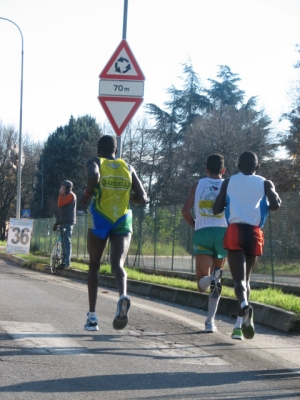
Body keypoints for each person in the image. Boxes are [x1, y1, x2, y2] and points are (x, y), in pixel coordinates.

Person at [213, 151, 281, 340]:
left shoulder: (229, 182)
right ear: (257, 167)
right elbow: (275, 205)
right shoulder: (265, 182)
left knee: (238, 280)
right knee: (247, 279)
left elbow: (216, 209)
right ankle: (239, 325)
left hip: (235, 230)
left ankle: (244, 307)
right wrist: (273, 198)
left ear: (238, 166)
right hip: (254, 232)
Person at [82, 135, 148, 331]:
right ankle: (122, 296)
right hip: (122, 218)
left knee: (94, 265)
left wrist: (87, 193)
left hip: (100, 217)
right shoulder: (127, 167)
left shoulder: (95, 161)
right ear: (116, 152)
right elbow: (143, 197)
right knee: (118, 264)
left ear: (98, 150)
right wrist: (126, 197)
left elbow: (93, 176)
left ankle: (92, 318)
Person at [182, 154, 227, 333]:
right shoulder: (228, 185)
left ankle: (212, 279)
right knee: (218, 276)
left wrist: (196, 224)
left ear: (206, 170)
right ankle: (210, 322)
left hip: (203, 232)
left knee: (202, 283)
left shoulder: (197, 185)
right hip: (223, 233)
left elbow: (185, 211)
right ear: (223, 170)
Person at [52, 180, 77, 269]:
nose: (61, 188)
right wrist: (57, 222)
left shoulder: (70, 196)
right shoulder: (66, 195)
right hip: (63, 221)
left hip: (67, 222)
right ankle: (63, 261)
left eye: (62, 187)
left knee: (66, 242)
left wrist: (60, 194)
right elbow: (60, 209)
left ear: (66, 188)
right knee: (63, 242)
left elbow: (60, 204)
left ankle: (66, 262)